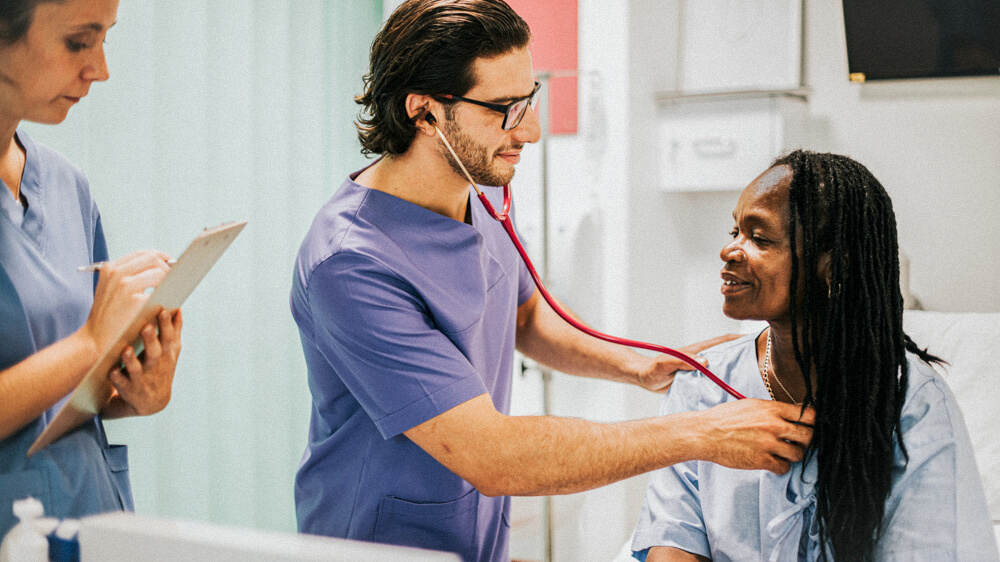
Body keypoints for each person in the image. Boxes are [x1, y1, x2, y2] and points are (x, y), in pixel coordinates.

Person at [290, 1, 813, 560]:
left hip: (476, 535)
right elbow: (492, 457)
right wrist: (701, 434)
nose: (532, 131)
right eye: (505, 108)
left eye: (530, 99)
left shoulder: (479, 185)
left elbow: (521, 315)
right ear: (424, 112)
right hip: (381, 545)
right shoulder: (351, 264)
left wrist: (636, 366)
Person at [630, 150, 998, 561]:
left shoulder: (912, 404)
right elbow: (673, 545)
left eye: (759, 238)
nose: (729, 250)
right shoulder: (701, 386)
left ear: (834, 267)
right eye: (734, 231)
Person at [0, 0, 183, 536]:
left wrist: (133, 392)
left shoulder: (64, 184)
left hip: (88, 518)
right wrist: (88, 343)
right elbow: (82, 344)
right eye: (79, 42)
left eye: (106, 39)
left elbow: (63, 396)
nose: (99, 69)